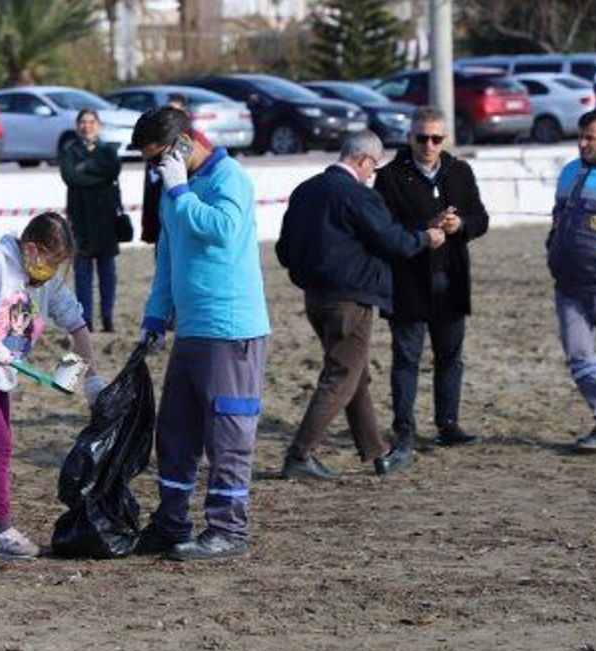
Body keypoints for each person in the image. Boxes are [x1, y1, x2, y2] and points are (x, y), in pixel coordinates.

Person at [129, 106, 271, 561]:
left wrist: (181, 191)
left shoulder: (230, 178)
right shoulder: (173, 190)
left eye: (158, 158)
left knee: (228, 432)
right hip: (191, 330)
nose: (156, 169)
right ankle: (171, 522)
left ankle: (228, 529)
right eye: (150, 163)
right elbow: (167, 259)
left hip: (231, 330)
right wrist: (155, 317)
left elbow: (223, 230)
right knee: (176, 430)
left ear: (184, 143)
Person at [275, 131, 446, 480]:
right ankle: (299, 454)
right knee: (341, 375)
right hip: (350, 300)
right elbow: (392, 241)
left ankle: (377, 452)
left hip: (315, 297)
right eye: (373, 167)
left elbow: (284, 249)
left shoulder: (305, 190)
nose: (372, 174)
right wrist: (426, 238)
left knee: (355, 373)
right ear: (364, 160)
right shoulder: (357, 194)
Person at [0, 212, 107, 558]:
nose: (53, 271)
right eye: (51, 262)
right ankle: (1, 531)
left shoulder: (47, 282)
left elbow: (77, 326)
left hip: (0, 372)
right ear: (31, 250)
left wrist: (85, 378)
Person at [375, 106, 490, 451]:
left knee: (450, 357)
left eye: (436, 139)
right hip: (408, 281)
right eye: (422, 138)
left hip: (450, 279)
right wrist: (425, 227)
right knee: (406, 359)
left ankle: (448, 424)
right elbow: (382, 229)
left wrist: (461, 225)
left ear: (446, 139)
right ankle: (404, 428)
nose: (428, 145)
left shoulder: (460, 171)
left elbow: (481, 218)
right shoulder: (389, 177)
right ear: (410, 137)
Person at [546, 109, 596, 451]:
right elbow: (557, 217)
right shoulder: (569, 172)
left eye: (590, 137)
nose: (582, 143)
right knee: (578, 354)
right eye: (580, 137)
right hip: (568, 284)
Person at [60, 109, 123, 333]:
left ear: (99, 125)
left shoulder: (108, 150)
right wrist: (98, 175)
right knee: (83, 275)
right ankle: (85, 319)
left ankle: (107, 317)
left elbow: (113, 170)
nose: (87, 126)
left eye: (91, 122)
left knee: (108, 274)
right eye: (83, 122)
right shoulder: (69, 150)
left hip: (106, 219)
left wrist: (86, 167)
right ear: (77, 125)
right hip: (80, 219)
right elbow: (70, 177)